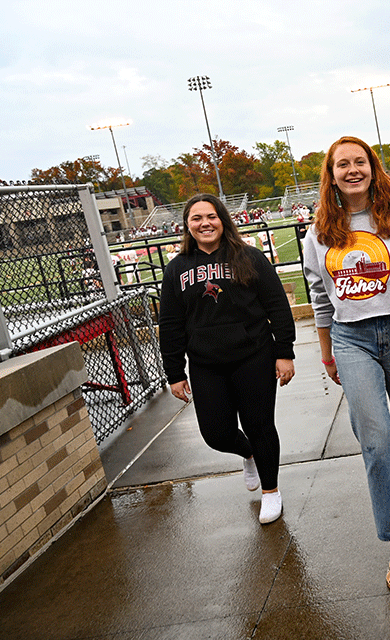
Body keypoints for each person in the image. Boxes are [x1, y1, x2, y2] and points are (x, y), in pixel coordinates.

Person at [302, 136, 390, 594]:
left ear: (372, 168)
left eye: (360, 161)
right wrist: (326, 351)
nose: (352, 169)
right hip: (351, 338)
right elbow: (320, 298)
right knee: (376, 440)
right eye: (343, 164)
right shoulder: (319, 232)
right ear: (332, 174)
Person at [158, 193, 296, 525]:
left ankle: (271, 491)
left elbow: (277, 305)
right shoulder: (177, 268)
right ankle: (247, 453)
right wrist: (174, 371)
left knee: (260, 425)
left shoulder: (249, 257)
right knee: (216, 433)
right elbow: (171, 323)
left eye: (211, 216)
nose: (204, 223)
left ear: (223, 220)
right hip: (206, 363)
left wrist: (284, 352)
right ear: (187, 226)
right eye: (196, 218)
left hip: (254, 356)